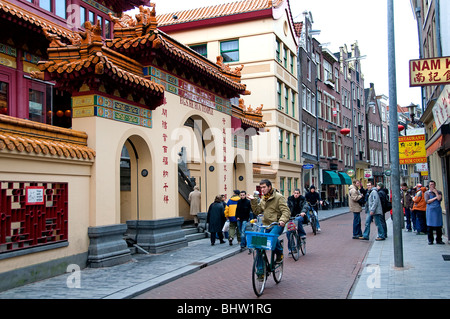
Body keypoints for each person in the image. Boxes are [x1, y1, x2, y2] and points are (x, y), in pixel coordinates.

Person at [248, 179, 290, 263]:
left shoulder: (278, 197)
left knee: (271, 237)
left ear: (269, 187)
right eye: (261, 188)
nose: (262, 189)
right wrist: (253, 200)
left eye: (264, 187)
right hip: (265, 225)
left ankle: (279, 252)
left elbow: (286, 211)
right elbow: (257, 211)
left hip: (276, 224)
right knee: (259, 246)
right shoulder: (263, 199)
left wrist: (282, 220)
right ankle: (261, 273)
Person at [425, 181, 445, 245]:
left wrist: (436, 193)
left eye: (433, 184)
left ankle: (439, 239)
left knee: (438, 227)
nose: (432, 186)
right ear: (429, 185)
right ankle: (430, 240)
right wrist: (435, 198)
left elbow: (439, 199)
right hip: (430, 211)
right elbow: (427, 201)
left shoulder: (439, 192)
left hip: (437, 211)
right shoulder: (427, 193)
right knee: (430, 227)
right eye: (430, 184)